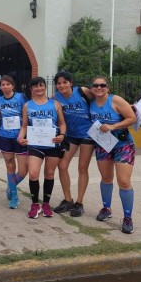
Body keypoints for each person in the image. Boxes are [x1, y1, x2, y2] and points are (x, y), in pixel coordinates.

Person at [89, 76, 137, 234]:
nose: (99, 88)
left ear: (107, 88)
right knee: (106, 178)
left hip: (123, 144)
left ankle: (128, 217)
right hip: (103, 144)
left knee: (123, 181)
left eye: (102, 85)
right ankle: (106, 208)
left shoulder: (115, 100)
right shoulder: (90, 103)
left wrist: (113, 125)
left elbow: (132, 118)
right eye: (95, 85)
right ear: (92, 88)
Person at [18, 77, 66, 219]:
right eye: (35, 87)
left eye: (41, 86)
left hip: (52, 143)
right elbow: (24, 125)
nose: (39, 89)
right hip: (35, 143)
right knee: (33, 174)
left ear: (45, 87)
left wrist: (62, 135)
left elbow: (62, 123)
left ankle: (46, 203)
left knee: (49, 174)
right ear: (31, 89)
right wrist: (20, 137)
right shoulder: (27, 105)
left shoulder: (55, 104)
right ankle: (34, 204)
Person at [52, 71, 95, 217]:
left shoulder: (82, 91)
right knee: (62, 165)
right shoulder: (55, 98)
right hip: (70, 136)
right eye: (59, 83)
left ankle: (79, 203)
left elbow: (103, 100)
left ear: (71, 83)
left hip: (88, 135)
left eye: (65, 82)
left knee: (82, 167)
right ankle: (68, 200)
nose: (62, 85)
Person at [0, 75, 28, 209]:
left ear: (13, 86)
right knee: (10, 166)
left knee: (23, 170)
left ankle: (11, 187)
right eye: (3, 85)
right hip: (4, 136)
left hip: (20, 137)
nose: (5, 87)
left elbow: (27, 115)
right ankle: (14, 196)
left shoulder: (21, 97)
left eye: (7, 84)